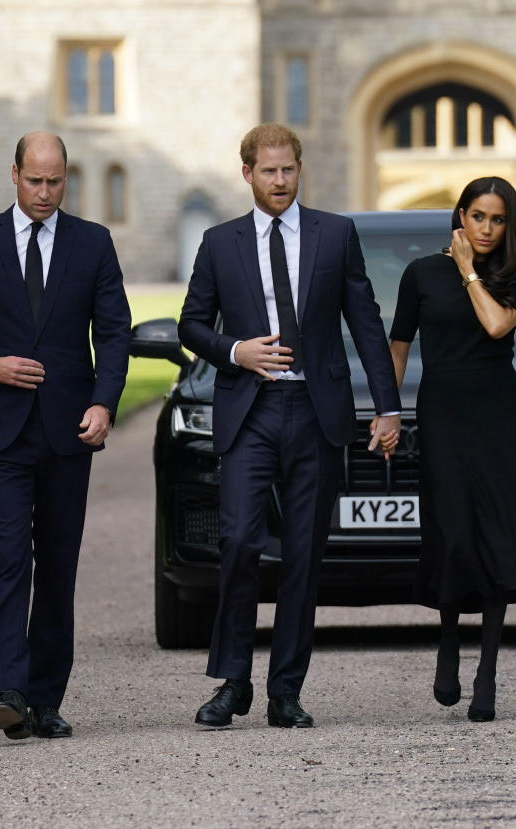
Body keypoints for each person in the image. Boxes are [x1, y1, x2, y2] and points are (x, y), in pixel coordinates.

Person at [178, 123, 402, 729]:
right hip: (249, 410)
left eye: (288, 170)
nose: (279, 181)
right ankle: (232, 682)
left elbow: (366, 322)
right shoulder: (219, 243)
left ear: (300, 170)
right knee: (240, 541)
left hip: (316, 412)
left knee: (304, 553)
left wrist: (387, 406)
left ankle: (286, 692)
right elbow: (191, 325)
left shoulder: (336, 234)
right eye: (268, 171)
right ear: (246, 173)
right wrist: (236, 352)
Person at [0, 132, 131, 741]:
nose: (44, 193)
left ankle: (44, 699)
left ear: (67, 178)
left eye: (56, 181)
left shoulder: (93, 243)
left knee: (58, 568)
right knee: (9, 556)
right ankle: (7, 689)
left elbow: (114, 333)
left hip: (69, 431)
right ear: (14, 174)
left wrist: (104, 402)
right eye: (35, 180)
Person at [387, 176, 516, 723]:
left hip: (497, 417)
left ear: (509, 225)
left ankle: (488, 674)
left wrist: (469, 273)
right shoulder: (420, 274)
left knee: (497, 535)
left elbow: (497, 325)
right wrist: (388, 412)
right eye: (478, 216)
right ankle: (450, 643)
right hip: (444, 417)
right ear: (460, 215)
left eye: (498, 219)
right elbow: (399, 348)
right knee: (453, 532)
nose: (487, 228)